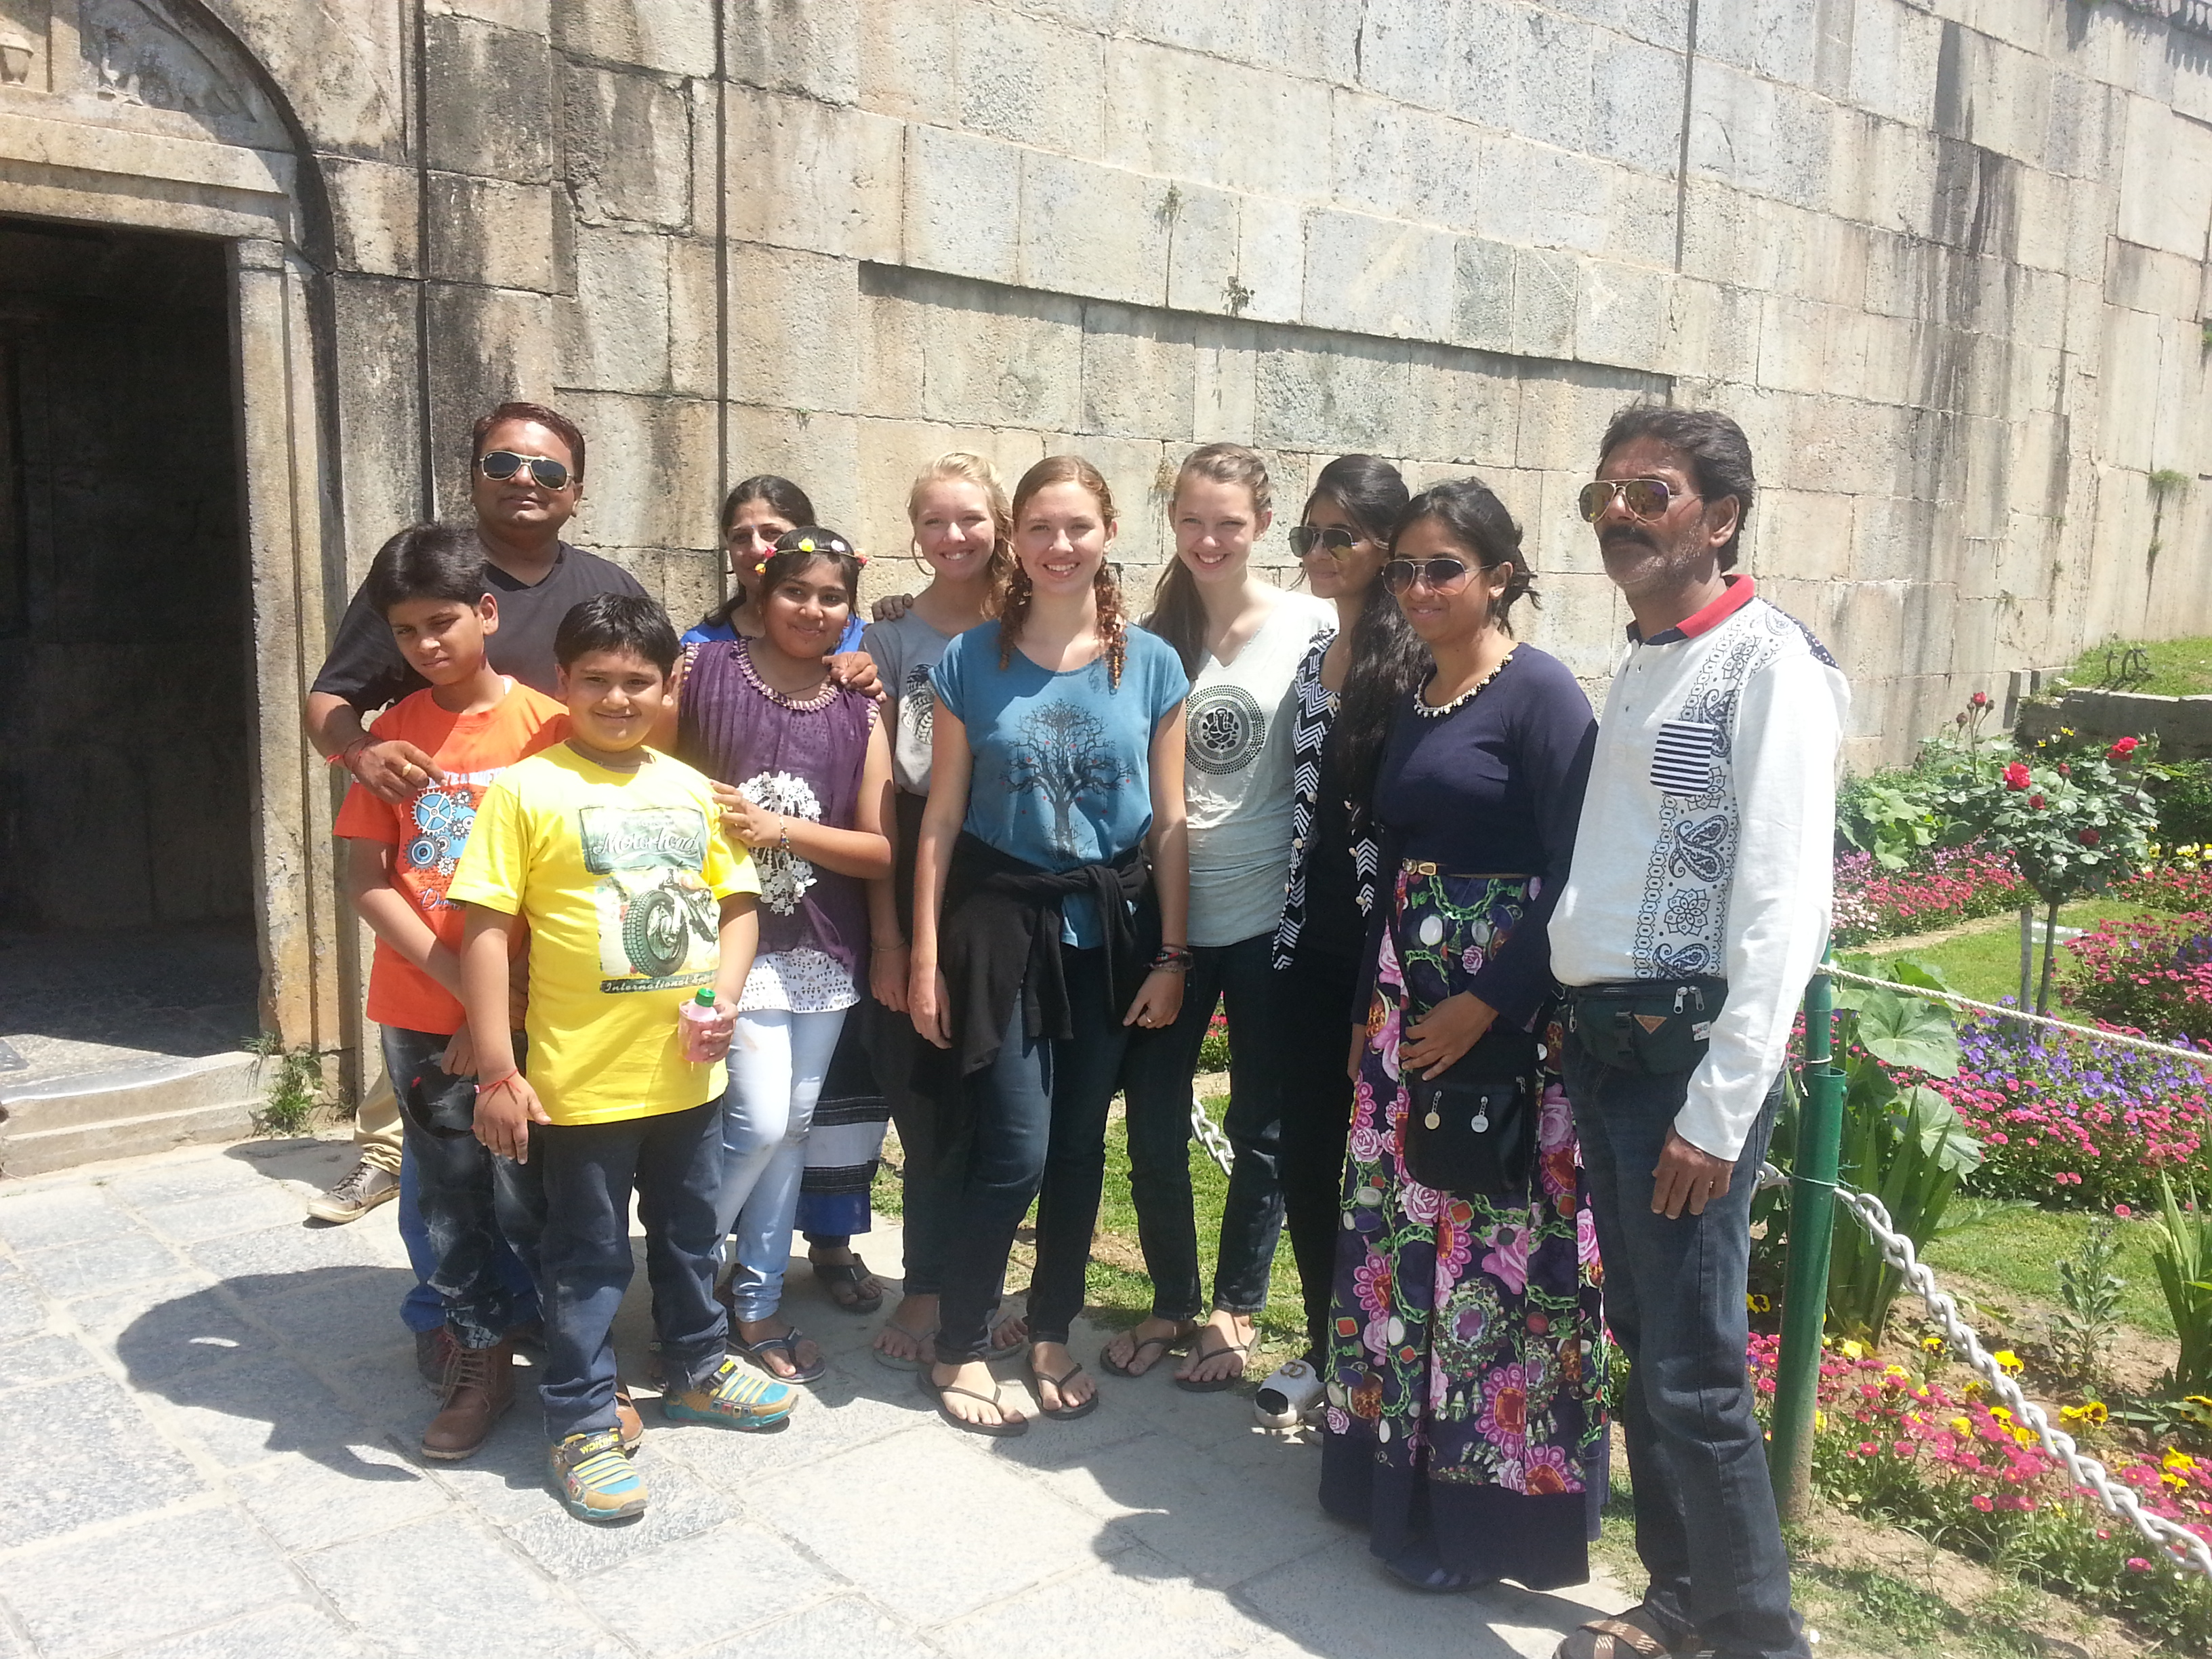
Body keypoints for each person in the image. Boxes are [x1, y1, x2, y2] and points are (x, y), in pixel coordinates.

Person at [1549, 407, 1844, 1659]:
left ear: (1720, 517)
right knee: (1643, 1342)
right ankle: (1680, 1601)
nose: (1618, 514)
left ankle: (1758, 1635)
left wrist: (1718, 1113)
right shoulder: (1647, 656)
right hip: (1607, 1050)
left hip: (1683, 1067)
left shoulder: (1769, 666)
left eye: (1650, 493)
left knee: (1697, 1375)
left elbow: (1783, 908)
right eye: (1604, 493)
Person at [449, 593, 798, 1524]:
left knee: (689, 1233)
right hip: (578, 1088)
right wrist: (498, 1071)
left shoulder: (690, 789)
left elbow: (738, 907)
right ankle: (579, 1415)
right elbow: (485, 933)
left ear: (669, 684)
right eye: (595, 680)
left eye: (637, 681)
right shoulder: (526, 790)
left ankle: (696, 1365)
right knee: (587, 1257)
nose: (616, 698)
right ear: (561, 682)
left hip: (690, 1077)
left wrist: (724, 1000)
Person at [1318, 477, 1606, 1595]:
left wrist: (1488, 1002)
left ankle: (1483, 1522)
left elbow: (1576, 871)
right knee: (1402, 1250)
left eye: (1443, 567)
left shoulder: (1542, 694)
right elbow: (1393, 866)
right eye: (1404, 568)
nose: (1418, 587)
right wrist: (1368, 1010)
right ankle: (1392, 1484)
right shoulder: (1416, 690)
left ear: (1499, 574)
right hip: (1406, 1014)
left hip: (1499, 1025)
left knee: (1490, 1262)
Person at [304, 401, 644, 1230]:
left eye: (548, 469)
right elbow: (329, 700)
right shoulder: (425, 573)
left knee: (534, 1165)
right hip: (434, 891)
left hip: (543, 936)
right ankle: (440, 1275)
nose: (525, 479)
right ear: (474, 476)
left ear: (576, 491)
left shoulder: (606, 589)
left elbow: (664, 685)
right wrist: (361, 753)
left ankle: (535, 1290)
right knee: (443, 1160)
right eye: (504, 463)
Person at [909, 455, 1190, 1435]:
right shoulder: (967, 662)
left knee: (1077, 1147)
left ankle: (1049, 1328)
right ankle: (958, 1341)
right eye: (1039, 527)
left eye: (1077, 527)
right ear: (1015, 538)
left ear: (1109, 533)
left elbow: (1169, 822)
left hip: (1111, 933)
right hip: (1002, 929)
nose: (1059, 546)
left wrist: (1174, 956)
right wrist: (922, 956)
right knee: (1016, 1149)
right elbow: (941, 818)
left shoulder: (1150, 664)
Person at [330, 524, 567, 1459]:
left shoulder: (549, 728)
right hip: (421, 1005)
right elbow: (367, 881)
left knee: (537, 1188)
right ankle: (478, 1354)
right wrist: (466, 990)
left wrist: (498, 1003)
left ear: (487, 613)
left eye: (443, 622)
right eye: (406, 631)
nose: (427, 644)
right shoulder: (390, 739)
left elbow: (568, 884)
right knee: (450, 1194)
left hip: (533, 1005)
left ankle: (574, 1358)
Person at [1105, 445, 1331, 1391]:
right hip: (1171, 917)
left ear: (1263, 525)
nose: (1209, 540)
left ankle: (1235, 1308)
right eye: (1193, 521)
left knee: (1263, 1124)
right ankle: (1171, 1297)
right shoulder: (1150, 637)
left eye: (1228, 523)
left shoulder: (1312, 625)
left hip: (1272, 917)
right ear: (1172, 522)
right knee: (1154, 1119)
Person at [671, 528, 895, 1384]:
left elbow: (879, 850)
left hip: (823, 947)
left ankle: (756, 1300)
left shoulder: (860, 708)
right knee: (759, 1124)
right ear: (760, 596)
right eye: (796, 591)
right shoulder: (705, 674)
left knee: (794, 1129)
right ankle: (684, 1275)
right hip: (727, 941)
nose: (813, 609)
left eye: (832, 597)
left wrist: (782, 830)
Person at [1254, 454, 1427, 1429]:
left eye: (1341, 537)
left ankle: (1390, 1363)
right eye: (1308, 535)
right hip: (1304, 944)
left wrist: (1381, 975)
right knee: (1309, 1158)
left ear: (1387, 547)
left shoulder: (1413, 665)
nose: (1319, 553)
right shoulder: (1316, 652)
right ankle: (1330, 1349)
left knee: (1386, 1167)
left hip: (1380, 953)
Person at [859, 454, 1020, 1369]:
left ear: (1000, 523)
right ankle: (926, 1280)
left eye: (970, 518)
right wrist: (890, 936)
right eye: (934, 521)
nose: (953, 536)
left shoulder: (1033, 622)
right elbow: (882, 792)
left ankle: (987, 1283)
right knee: (923, 1092)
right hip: (919, 853)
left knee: (1003, 1092)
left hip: (1008, 872)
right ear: (914, 531)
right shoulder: (890, 639)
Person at [683, 475, 866, 657]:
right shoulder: (698, 649)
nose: (756, 549)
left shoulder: (866, 642)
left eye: (771, 533)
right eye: (741, 537)